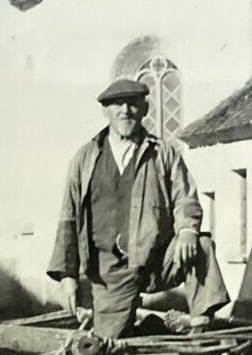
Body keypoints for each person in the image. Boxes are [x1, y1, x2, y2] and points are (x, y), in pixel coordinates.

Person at [48, 78, 229, 339]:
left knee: (200, 246)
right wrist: (68, 275)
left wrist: (188, 230)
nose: (125, 111)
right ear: (105, 111)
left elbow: (185, 197)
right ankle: (149, 328)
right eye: (117, 105)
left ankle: (200, 331)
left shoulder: (163, 153)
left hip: (158, 259)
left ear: (144, 109)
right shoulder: (85, 159)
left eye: (133, 104)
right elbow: (69, 217)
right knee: (108, 343)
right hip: (110, 270)